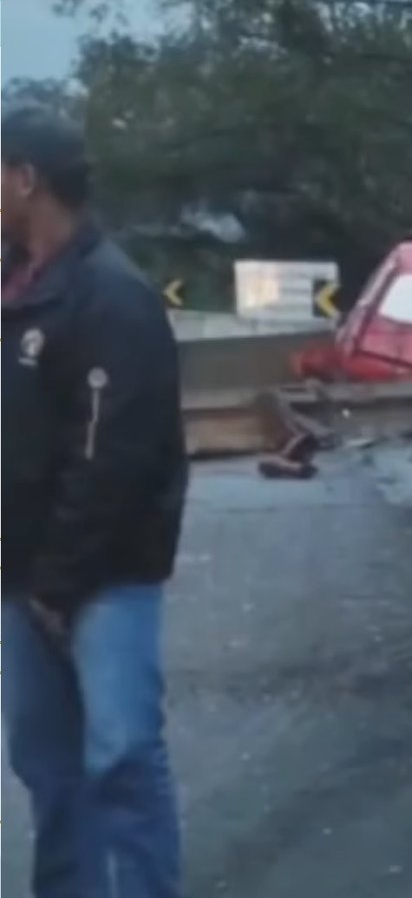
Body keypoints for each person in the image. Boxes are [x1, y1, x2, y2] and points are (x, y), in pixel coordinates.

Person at [2, 106, 188, 898]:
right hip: (19, 572)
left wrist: (58, 581)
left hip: (103, 575)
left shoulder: (112, 297)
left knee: (122, 756)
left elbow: (113, 456)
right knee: (46, 764)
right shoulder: (13, 288)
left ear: (25, 179)